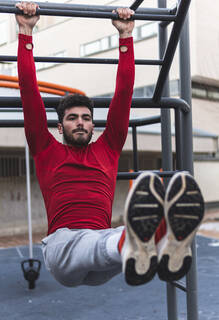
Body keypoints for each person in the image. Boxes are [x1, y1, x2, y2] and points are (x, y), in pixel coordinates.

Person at [15, 2, 205, 287]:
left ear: (94, 126)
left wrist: (126, 38)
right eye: (72, 118)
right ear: (59, 127)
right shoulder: (46, 149)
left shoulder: (108, 147)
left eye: (86, 118)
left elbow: (125, 92)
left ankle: (161, 240)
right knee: (107, 240)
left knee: (112, 238)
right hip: (63, 249)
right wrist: (26, 32)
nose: (80, 122)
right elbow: (29, 91)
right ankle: (149, 239)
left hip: (104, 251)